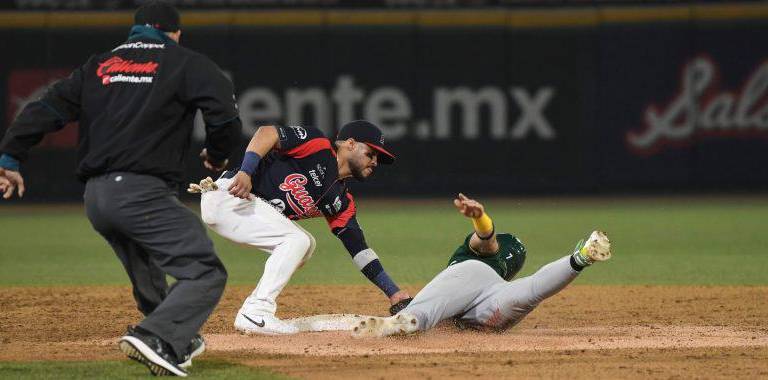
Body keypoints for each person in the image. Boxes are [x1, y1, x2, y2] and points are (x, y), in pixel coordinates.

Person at [0, 1, 240, 376]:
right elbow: (224, 113)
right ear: (174, 32)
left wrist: (10, 158)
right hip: (142, 191)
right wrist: (218, 155)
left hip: (97, 198)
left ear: (136, 31)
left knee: (145, 264)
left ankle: (177, 337)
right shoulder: (185, 62)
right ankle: (157, 336)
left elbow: (42, 108)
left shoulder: (99, 66)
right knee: (204, 270)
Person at [188, 120, 412, 335]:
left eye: (377, 159)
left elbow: (360, 251)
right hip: (230, 195)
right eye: (370, 154)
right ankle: (256, 311)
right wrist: (246, 171)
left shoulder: (341, 201)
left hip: (247, 211)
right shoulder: (318, 146)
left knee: (306, 246)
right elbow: (267, 132)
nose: (374, 162)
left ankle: (255, 308)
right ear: (350, 144)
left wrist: (394, 293)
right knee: (297, 241)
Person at [351, 193, 612, 337]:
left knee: (418, 316)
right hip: (488, 317)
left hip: (474, 278)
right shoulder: (500, 274)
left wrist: (482, 219)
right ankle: (580, 257)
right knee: (531, 292)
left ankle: (408, 321)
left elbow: (486, 241)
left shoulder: (477, 261)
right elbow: (488, 243)